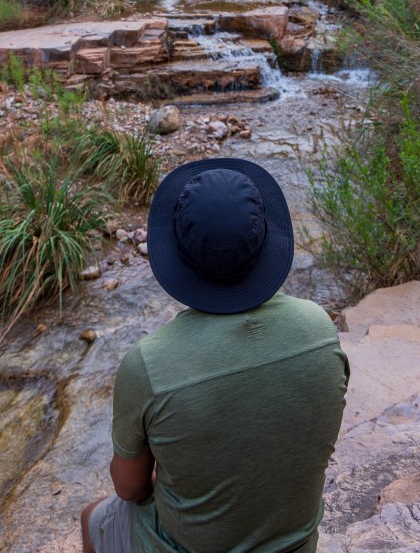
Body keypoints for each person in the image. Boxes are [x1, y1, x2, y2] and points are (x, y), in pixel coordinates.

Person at [81, 156, 349, 553]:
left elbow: (129, 487)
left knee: (92, 518)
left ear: (177, 254)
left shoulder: (148, 364)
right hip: (297, 546)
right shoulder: (320, 329)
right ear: (265, 242)